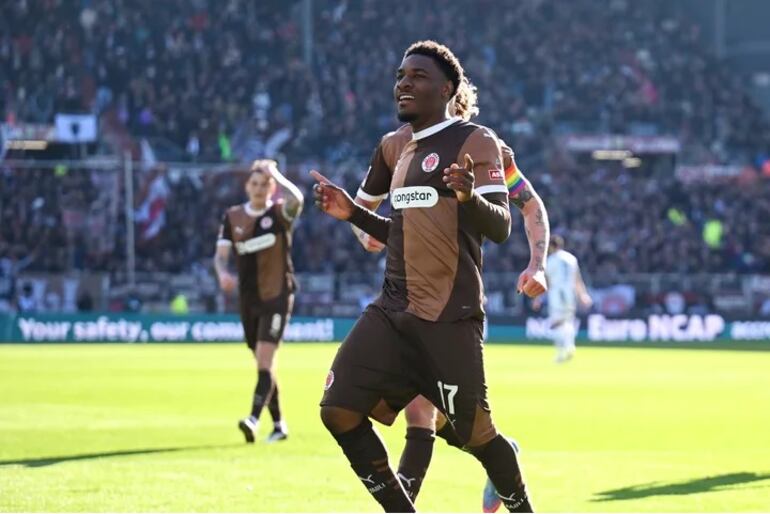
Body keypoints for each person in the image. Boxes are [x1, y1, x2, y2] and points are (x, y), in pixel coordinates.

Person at [311, 40, 545, 512]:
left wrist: (470, 199)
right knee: (338, 410)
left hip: (447, 315)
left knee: (478, 435)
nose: (404, 83)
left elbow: (503, 224)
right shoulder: (393, 147)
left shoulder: (478, 142)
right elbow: (395, 233)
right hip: (393, 308)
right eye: (400, 75)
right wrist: (352, 213)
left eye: (417, 76)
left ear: (448, 89)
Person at [214, 159, 304, 443]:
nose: (259, 189)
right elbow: (220, 256)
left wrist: (275, 172)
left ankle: (252, 420)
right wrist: (222, 273)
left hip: (277, 296)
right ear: (246, 186)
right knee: (264, 364)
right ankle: (279, 425)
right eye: (254, 183)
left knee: (265, 358)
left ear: (272, 188)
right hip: (248, 299)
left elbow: (298, 199)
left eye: (265, 184)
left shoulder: (279, 214)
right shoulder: (233, 217)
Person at [533, 235, 592, 363]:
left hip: (557, 294)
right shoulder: (571, 259)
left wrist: (538, 298)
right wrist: (583, 295)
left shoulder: (551, 260)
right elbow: (577, 279)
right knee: (567, 322)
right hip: (570, 294)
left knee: (556, 323)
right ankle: (570, 345)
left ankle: (560, 352)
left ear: (551, 246)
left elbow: (546, 282)